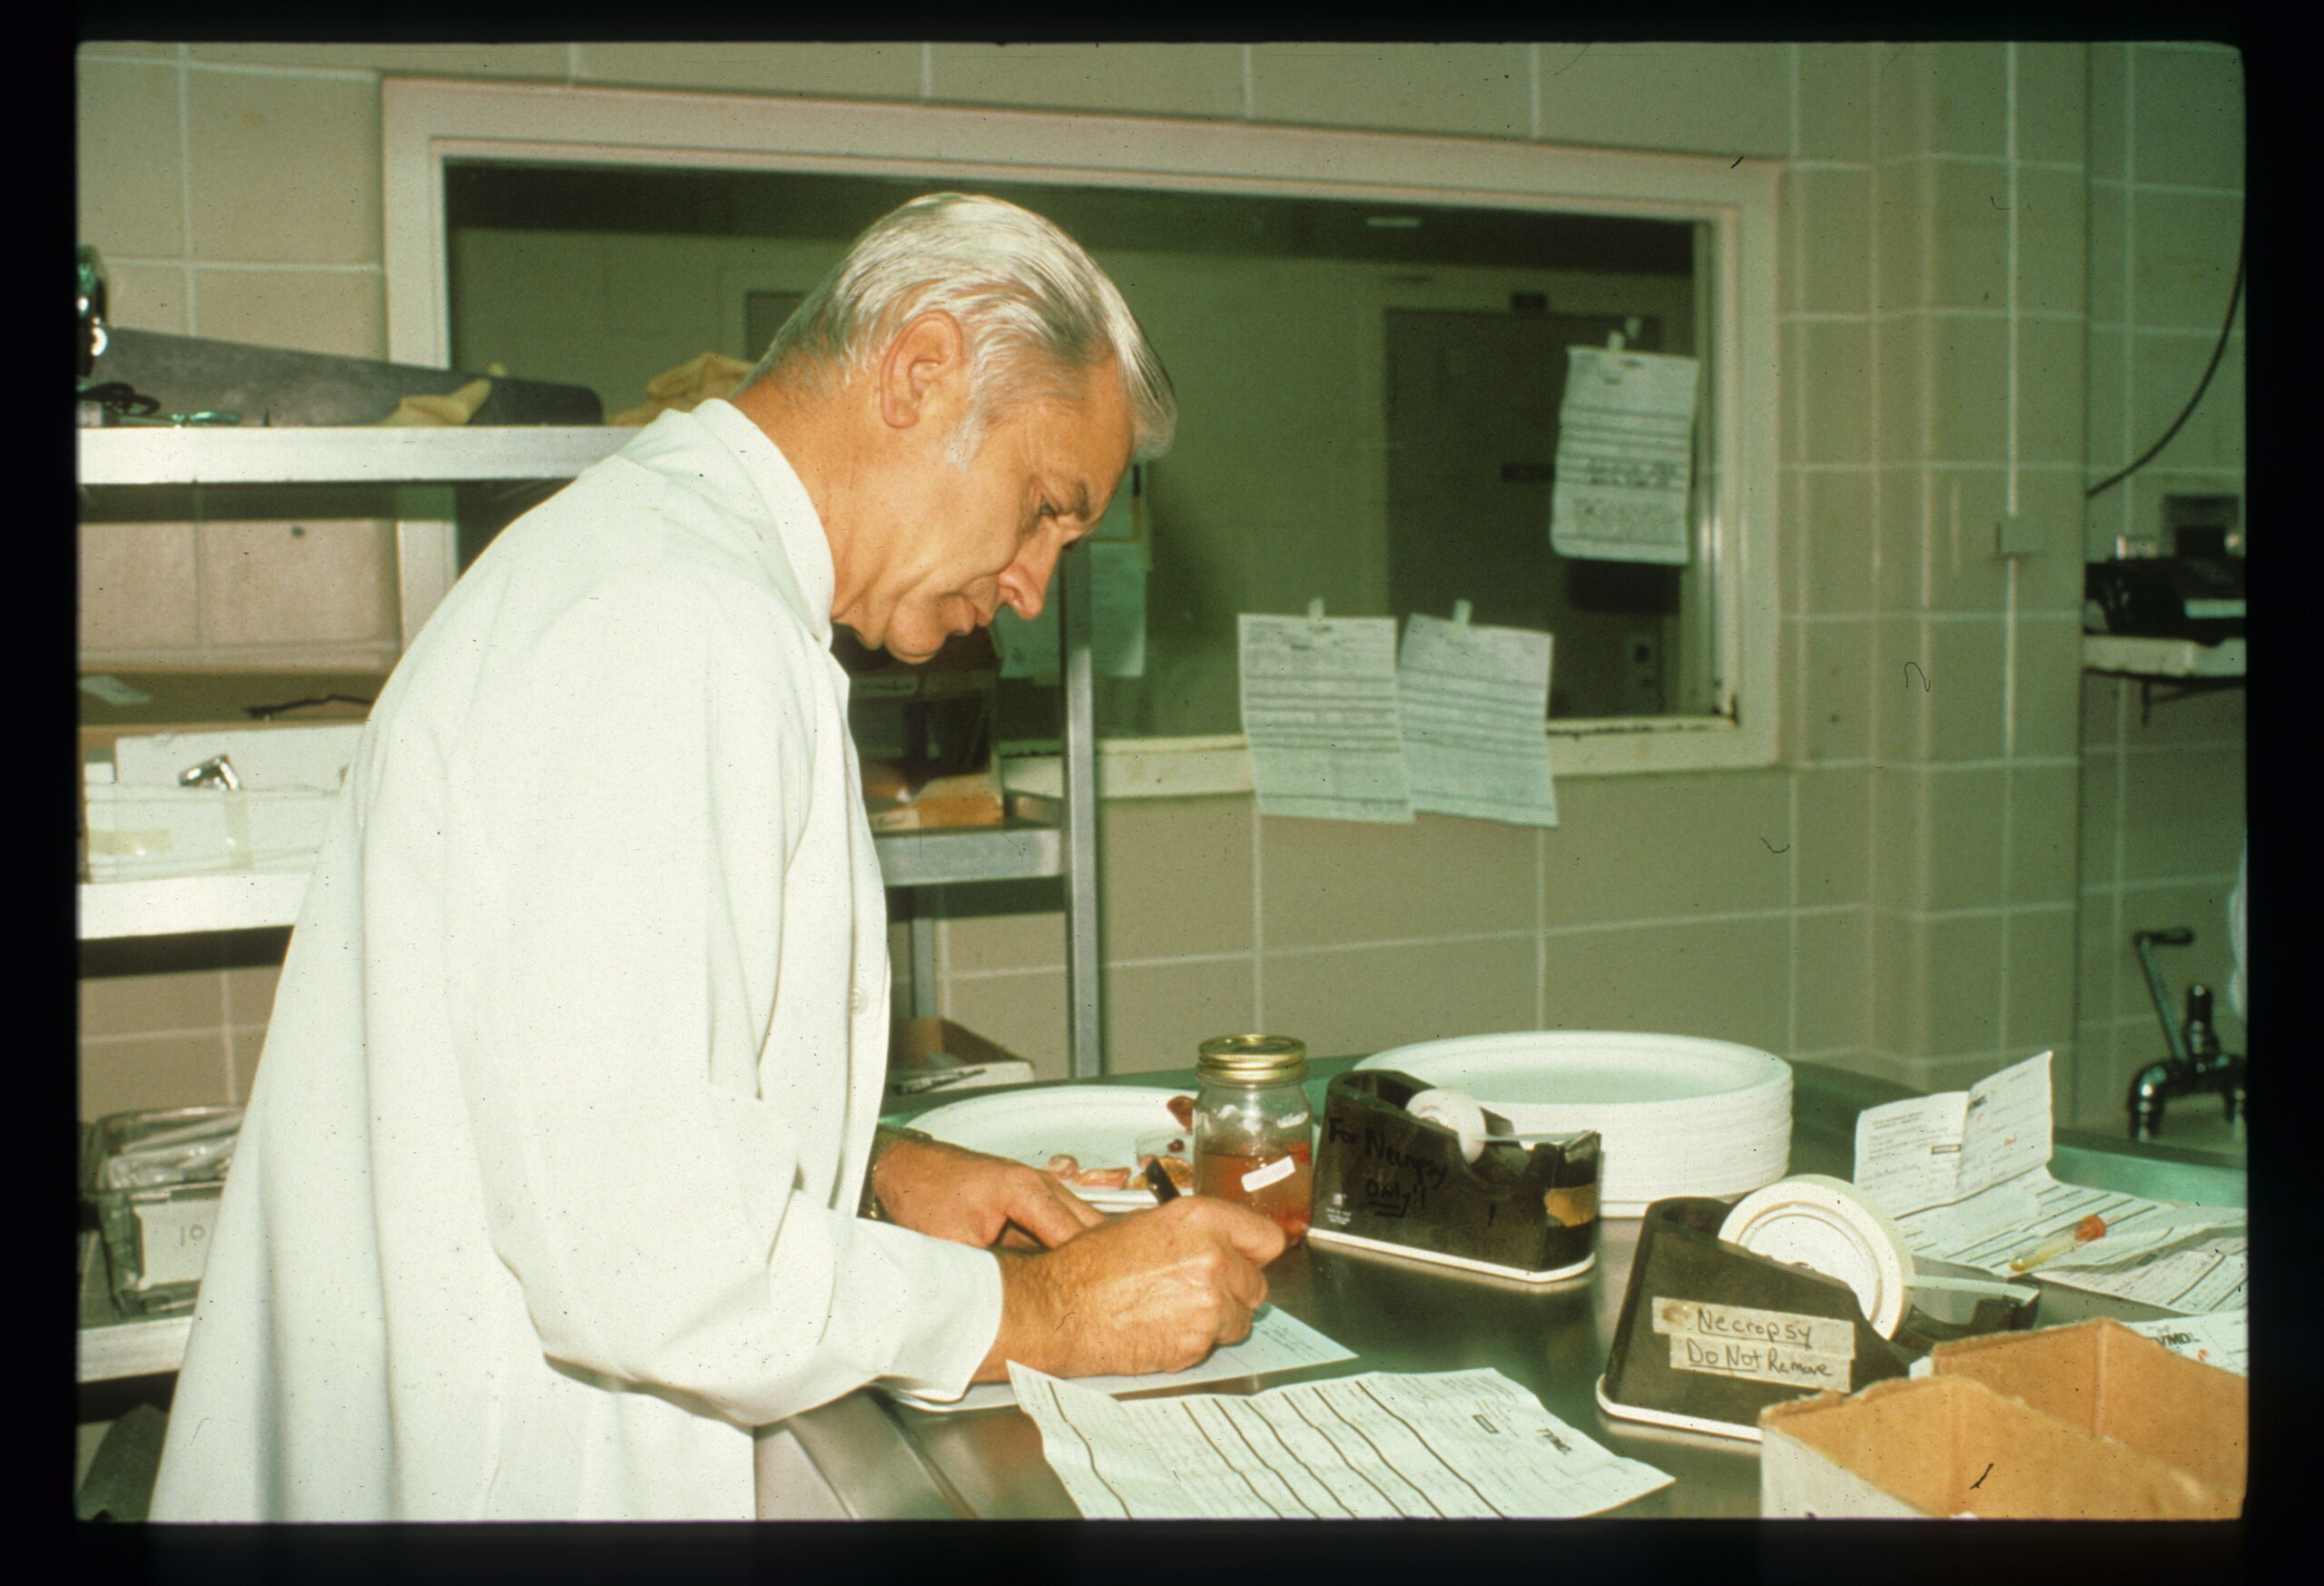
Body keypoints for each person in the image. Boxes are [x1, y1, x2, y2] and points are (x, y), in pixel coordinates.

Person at [150, 193, 1286, 1523]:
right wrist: (1034, 1309)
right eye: (1043, 508)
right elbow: (648, 1259)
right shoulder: (663, 619)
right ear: (922, 374)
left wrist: (867, 1170)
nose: (1034, 586)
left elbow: (576, 1085)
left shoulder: (668, 574)